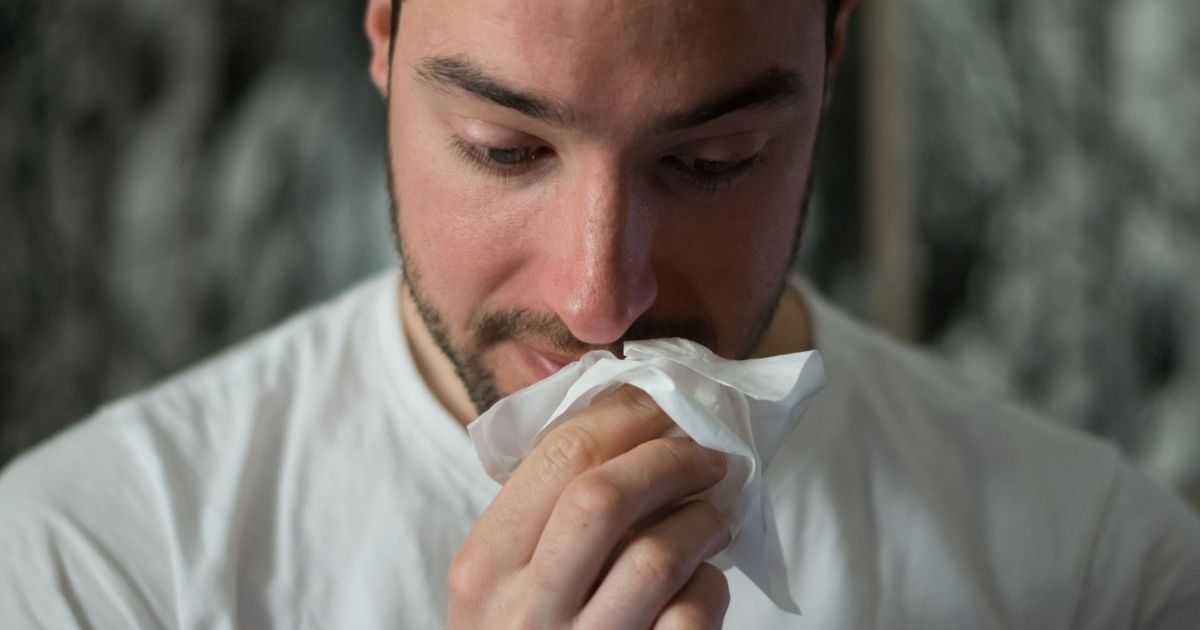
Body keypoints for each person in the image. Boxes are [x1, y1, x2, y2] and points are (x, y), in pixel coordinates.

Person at [2, 0, 1198, 627]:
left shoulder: (1100, 573)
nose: (600, 300)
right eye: (504, 149)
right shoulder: (92, 570)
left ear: (831, 60)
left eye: (715, 158)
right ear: (383, 34)